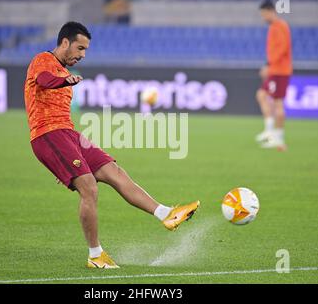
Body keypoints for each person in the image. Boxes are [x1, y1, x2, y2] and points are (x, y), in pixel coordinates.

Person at [24, 22, 200, 269]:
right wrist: (64, 82)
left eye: (86, 50)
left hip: (68, 135)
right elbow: (44, 80)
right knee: (90, 188)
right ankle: (95, 255)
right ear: (64, 42)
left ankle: (166, 214)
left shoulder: (64, 72)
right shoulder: (43, 60)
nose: (82, 55)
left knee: (114, 171)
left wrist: (67, 158)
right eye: (80, 48)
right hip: (48, 134)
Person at [255, 0, 292, 150]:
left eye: (264, 14)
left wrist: (269, 65)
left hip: (279, 71)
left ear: (270, 11)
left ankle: (278, 137)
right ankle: (270, 131)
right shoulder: (274, 27)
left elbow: (282, 48)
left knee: (277, 103)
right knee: (262, 95)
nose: (263, 17)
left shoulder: (280, 26)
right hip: (275, 70)